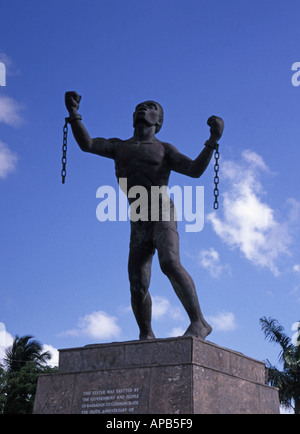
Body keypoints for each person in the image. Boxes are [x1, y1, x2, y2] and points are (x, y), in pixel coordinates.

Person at [65, 92, 224, 340]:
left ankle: (199, 322)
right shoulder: (120, 147)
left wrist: (212, 141)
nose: (143, 109)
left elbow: (194, 170)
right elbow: (87, 144)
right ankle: (146, 334)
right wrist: (74, 114)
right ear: (133, 118)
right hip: (137, 215)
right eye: (139, 107)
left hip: (162, 210)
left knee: (169, 262)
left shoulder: (164, 149)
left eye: (150, 107)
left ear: (158, 121)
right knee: (137, 283)